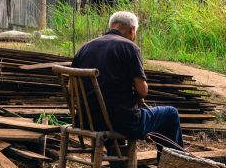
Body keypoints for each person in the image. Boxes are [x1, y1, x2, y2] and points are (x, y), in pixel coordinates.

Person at [71, 11, 183, 156]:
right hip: (122, 123)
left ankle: (117, 164)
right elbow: (142, 91)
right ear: (132, 30)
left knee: (116, 109)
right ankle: (170, 166)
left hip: (86, 120)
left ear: (112, 26)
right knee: (170, 114)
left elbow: (71, 89)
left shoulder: (85, 48)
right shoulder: (129, 47)